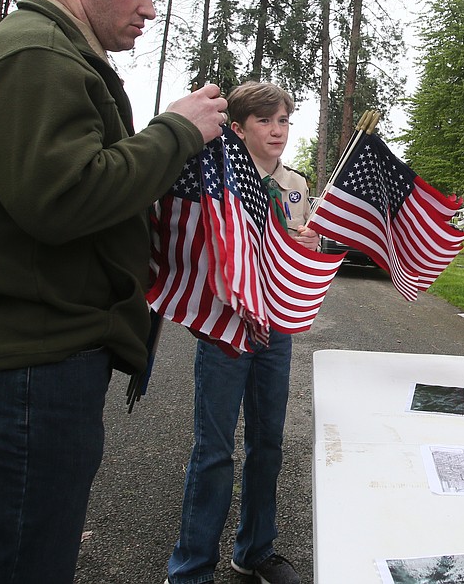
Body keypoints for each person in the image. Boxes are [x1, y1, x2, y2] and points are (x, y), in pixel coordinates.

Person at [0, 0, 228, 583]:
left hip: (33, 366)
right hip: (21, 372)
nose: (149, 8)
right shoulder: (34, 54)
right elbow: (63, 198)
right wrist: (175, 132)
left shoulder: (57, 56)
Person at [166, 81, 312, 584]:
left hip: (277, 325)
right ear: (240, 128)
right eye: (265, 121)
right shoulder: (222, 174)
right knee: (214, 449)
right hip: (227, 327)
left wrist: (309, 243)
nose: (277, 130)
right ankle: (190, 567)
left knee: (268, 443)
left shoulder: (295, 184)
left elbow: (298, 252)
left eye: (284, 121)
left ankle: (254, 549)